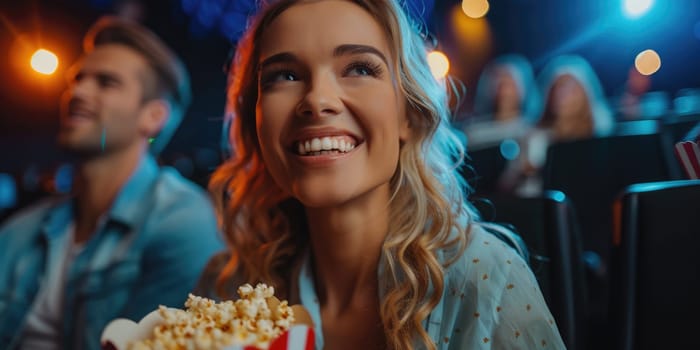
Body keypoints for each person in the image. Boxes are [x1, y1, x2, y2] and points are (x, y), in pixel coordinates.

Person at [195, 0, 565, 349]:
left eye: (359, 68)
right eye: (285, 75)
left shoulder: (484, 279)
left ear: (409, 113)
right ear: (255, 121)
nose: (317, 100)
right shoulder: (227, 285)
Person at [0, 17, 223, 349]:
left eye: (106, 82)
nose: (77, 91)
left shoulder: (183, 222)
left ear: (153, 116)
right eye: (76, 79)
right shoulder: (21, 231)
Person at [498, 54, 614, 196]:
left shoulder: (601, 136)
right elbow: (506, 185)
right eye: (558, 88)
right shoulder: (533, 138)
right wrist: (524, 172)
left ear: (585, 93)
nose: (562, 95)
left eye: (570, 88)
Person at [462, 54, 542, 150]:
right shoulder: (474, 133)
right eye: (499, 84)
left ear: (522, 88)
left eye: (508, 84)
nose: (503, 91)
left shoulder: (533, 132)